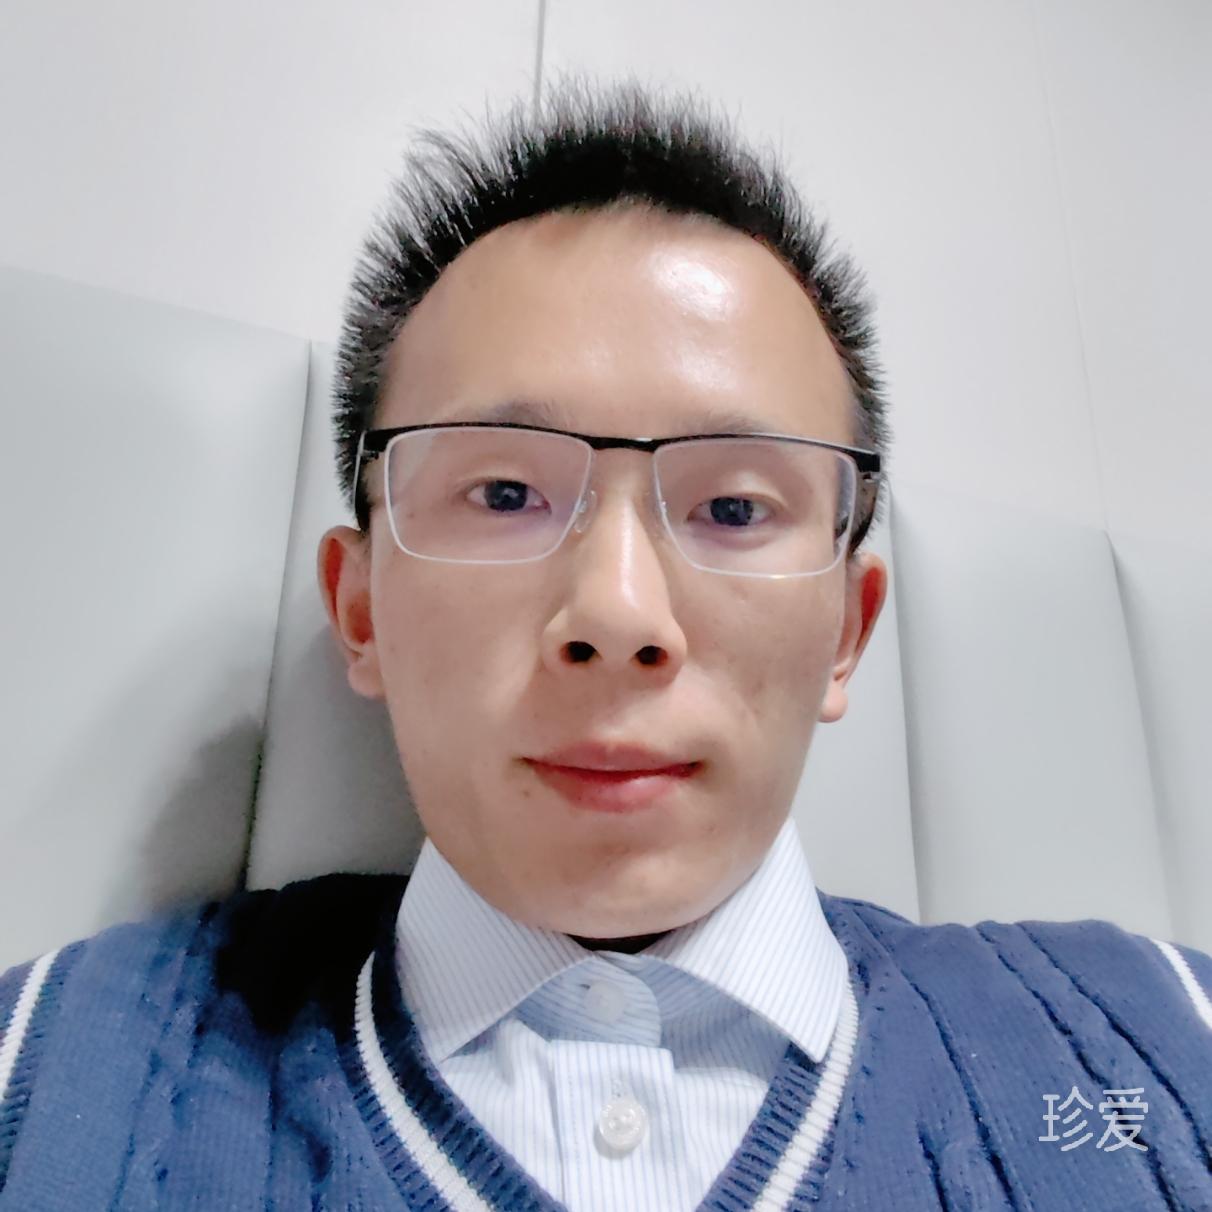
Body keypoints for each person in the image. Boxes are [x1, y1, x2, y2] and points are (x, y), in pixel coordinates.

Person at [1, 77, 1209, 1212]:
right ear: (360, 610)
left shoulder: (1165, 1042)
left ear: (847, 631)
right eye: (504, 493)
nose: (619, 616)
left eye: (733, 506)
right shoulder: (37, 1074)